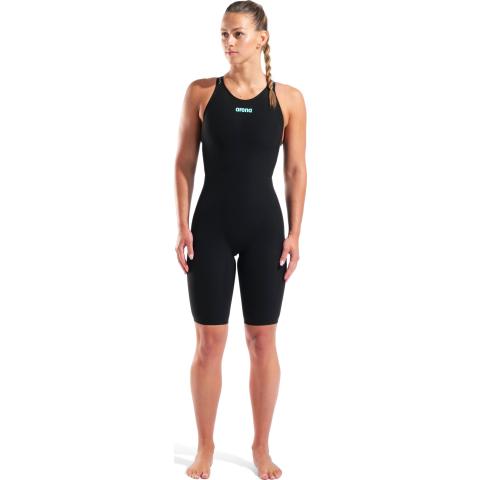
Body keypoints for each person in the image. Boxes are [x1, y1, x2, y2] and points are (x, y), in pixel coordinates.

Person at [174, 2, 306, 478]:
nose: (228, 43)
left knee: (261, 340)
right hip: (210, 227)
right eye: (223, 34)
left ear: (261, 39)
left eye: (238, 34)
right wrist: (183, 224)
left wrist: (295, 232)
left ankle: (261, 447)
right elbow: (184, 162)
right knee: (209, 343)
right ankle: (205, 446)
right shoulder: (201, 92)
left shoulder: (288, 99)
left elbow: (295, 170)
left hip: (264, 230)